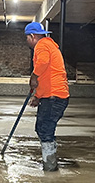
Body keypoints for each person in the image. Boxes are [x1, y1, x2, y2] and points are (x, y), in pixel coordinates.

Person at [25, 22, 69, 171]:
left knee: (45, 129)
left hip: (54, 96)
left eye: (27, 38)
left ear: (32, 36)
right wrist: (37, 96)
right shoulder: (49, 45)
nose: (27, 41)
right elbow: (46, 74)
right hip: (53, 95)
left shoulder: (42, 45)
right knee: (42, 128)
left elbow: (43, 63)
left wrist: (33, 76)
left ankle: (50, 166)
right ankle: (50, 159)